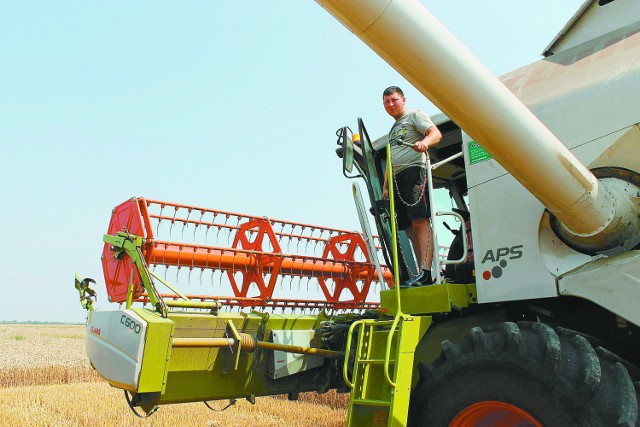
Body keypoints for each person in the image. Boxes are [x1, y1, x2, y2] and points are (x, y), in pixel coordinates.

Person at [382, 86, 442, 286]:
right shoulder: (392, 130)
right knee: (408, 228)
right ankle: (421, 272)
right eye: (387, 102)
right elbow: (391, 159)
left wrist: (425, 142)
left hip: (414, 172)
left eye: (394, 100)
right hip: (398, 179)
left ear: (403, 100)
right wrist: (385, 187)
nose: (391, 104)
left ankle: (426, 272)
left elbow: (435, 133)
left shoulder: (415, 115)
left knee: (419, 221)